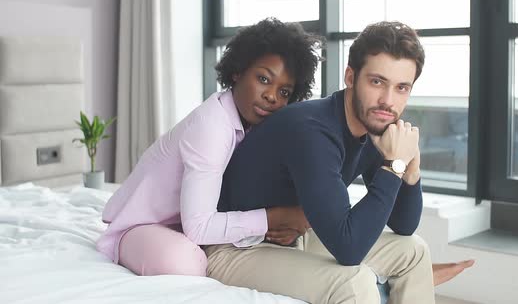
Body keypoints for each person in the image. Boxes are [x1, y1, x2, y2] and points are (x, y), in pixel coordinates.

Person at [205, 21, 473, 304]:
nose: (387, 101)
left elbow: (403, 225)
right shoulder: (311, 130)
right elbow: (349, 249)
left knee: (413, 250)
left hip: (294, 238)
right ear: (350, 76)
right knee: (354, 283)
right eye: (377, 82)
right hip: (236, 249)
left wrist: (411, 168)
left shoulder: (374, 127)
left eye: (401, 88)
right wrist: (394, 164)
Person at [96, 18, 321, 276]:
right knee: (186, 264)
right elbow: (199, 228)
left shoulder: (254, 127)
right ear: (238, 71)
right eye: (263, 79)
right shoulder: (212, 125)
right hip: (141, 227)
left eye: (284, 92)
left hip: (185, 226)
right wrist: (274, 218)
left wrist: (282, 224)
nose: (271, 96)